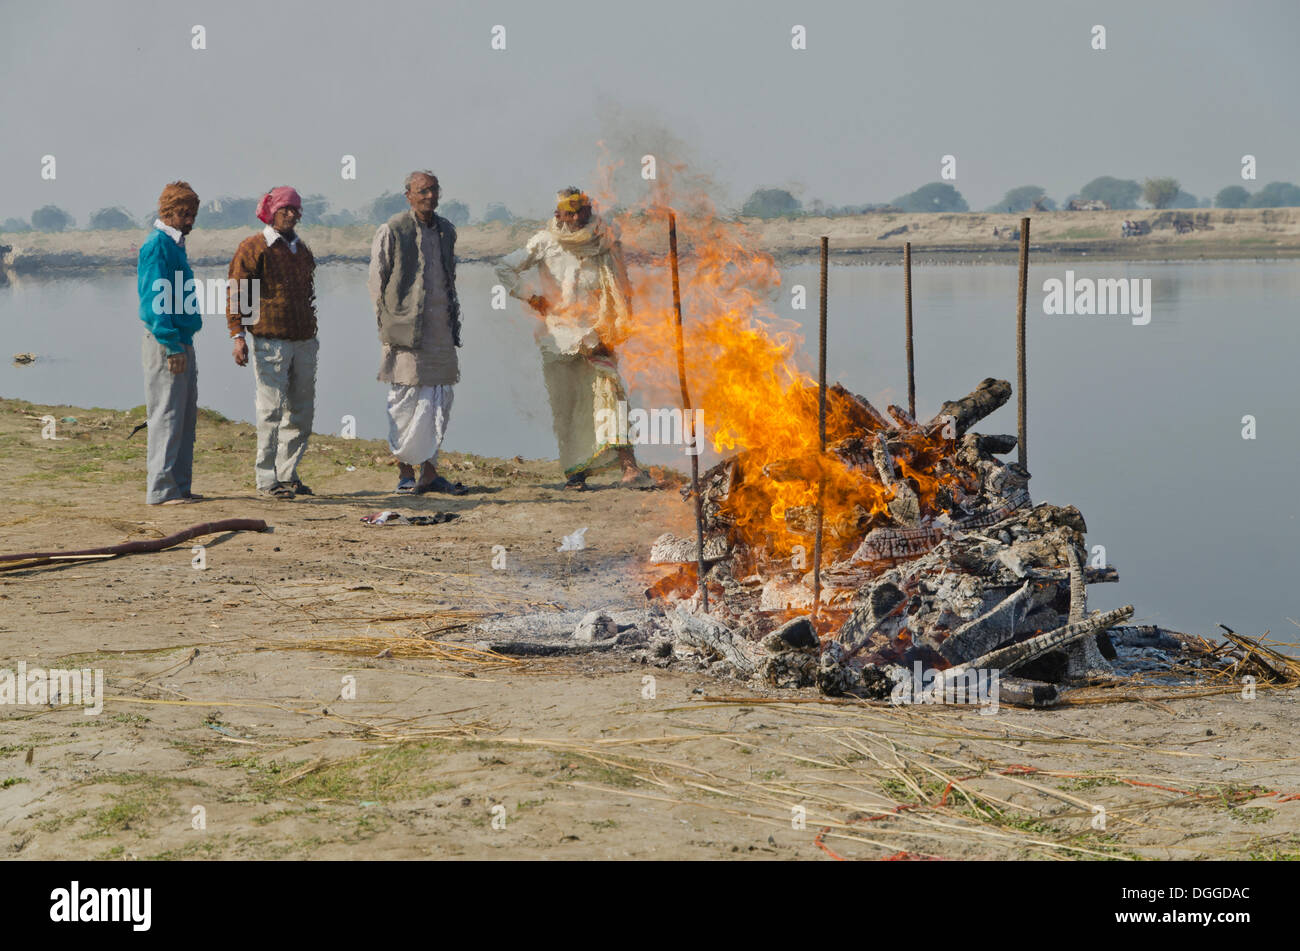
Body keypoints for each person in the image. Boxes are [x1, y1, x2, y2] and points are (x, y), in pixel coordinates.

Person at [495, 187, 652, 490]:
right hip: (558, 339)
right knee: (568, 408)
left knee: (613, 395)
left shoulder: (604, 241)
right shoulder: (544, 242)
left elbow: (620, 288)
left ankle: (629, 468)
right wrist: (531, 297)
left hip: (597, 335)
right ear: (559, 214)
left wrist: (618, 325)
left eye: (582, 210)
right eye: (572, 211)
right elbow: (504, 267)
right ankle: (575, 475)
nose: (579, 217)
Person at [367, 170, 467, 495]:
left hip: (440, 335)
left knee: (438, 401)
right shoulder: (393, 229)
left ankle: (430, 473)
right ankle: (405, 473)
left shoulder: (446, 231)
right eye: (422, 191)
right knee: (405, 402)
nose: (429, 197)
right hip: (405, 336)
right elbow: (376, 282)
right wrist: (388, 325)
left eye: (434, 190)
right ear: (408, 194)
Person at [226, 186, 319, 500]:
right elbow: (239, 294)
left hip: (304, 340)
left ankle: (287, 473)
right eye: (285, 209)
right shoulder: (255, 248)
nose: (292, 215)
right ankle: (266, 480)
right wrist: (238, 335)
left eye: (295, 209)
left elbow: (309, 294)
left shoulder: (300, 250)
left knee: (302, 412)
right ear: (271, 211)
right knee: (270, 410)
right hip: (270, 341)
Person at [137, 181, 203, 505]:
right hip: (167, 342)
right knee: (166, 414)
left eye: (193, 214)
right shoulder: (157, 246)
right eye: (184, 213)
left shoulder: (175, 244)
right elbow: (154, 300)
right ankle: (161, 490)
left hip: (181, 339)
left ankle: (179, 485)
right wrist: (173, 344)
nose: (190, 220)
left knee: (184, 417)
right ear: (168, 211)